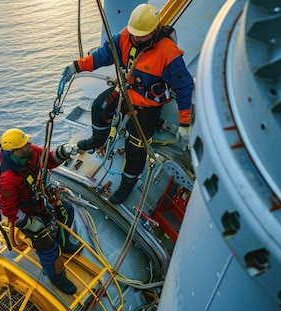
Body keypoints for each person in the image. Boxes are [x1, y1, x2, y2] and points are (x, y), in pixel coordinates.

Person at [60, 3, 194, 204]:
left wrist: (184, 124)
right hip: (124, 92)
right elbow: (103, 55)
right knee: (100, 107)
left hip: (147, 106)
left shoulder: (168, 54)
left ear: (154, 31)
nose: (136, 38)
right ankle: (97, 139)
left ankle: (126, 186)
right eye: (134, 33)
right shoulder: (125, 37)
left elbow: (184, 87)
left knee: (135, 146)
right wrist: (77, 66)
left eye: (141, 34)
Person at [0, 128, 80, 295]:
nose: (29, 144)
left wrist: (63, 152)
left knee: (67, 211)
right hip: (28, 213)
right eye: (24, 144)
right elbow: (9, 210)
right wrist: (30, 223)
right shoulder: (8, 180)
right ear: (15, 151)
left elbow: (48, 159)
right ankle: (57, 278)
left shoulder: (30, 152)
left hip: (39, 202)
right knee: (47, 246)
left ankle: (64, 243)